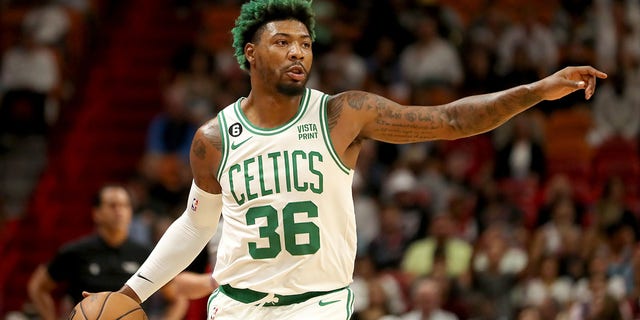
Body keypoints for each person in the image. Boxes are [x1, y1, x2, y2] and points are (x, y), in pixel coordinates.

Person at [102, 1, 606, 319]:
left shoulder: (343, 114)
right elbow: (193, 228)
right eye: (283, 43)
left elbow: (452, 120)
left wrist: (536, 91)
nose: (298, 52)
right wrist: (132, 291)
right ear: (250, 53)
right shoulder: (213, 138)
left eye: (305, 43)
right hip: (236, 306)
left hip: (318, 305)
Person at [27, 184, 187, 320]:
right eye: (112, 205)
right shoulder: (75, 252)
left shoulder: (146, 253)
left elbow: (178, 298)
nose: (119, 211)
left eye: (124, 205)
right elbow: (38, 286)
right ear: (96, 213)